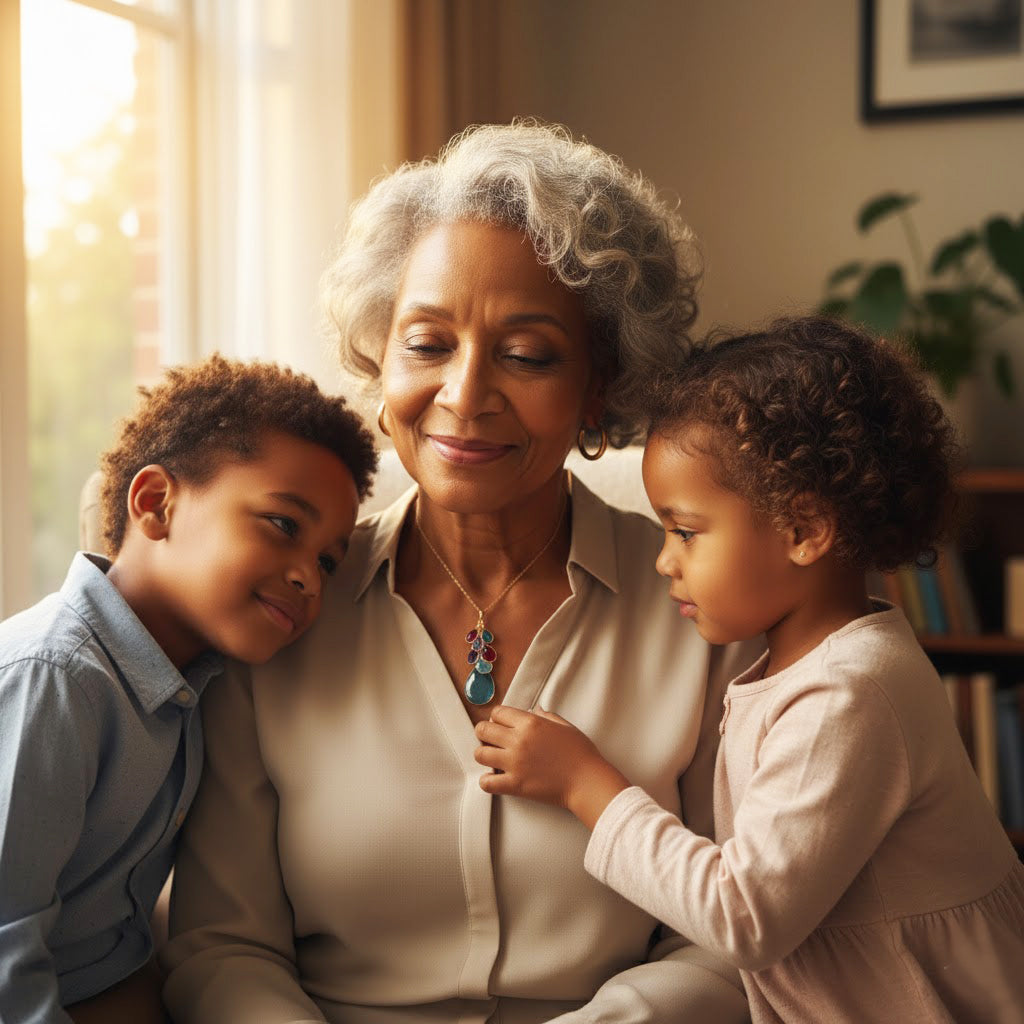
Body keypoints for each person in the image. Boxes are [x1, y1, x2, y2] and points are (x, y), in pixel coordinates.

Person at [161, 121, 762, 1024]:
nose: (465, 394)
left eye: (527, 355)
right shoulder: (280, 607)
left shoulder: (707, 610)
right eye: (428, 343)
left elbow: (732, 933)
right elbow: (222, 945)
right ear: (380, 354)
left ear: (600, 386)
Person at [473, 315, 1024, 1023]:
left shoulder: (848, 692)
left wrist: (588, 785)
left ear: (803, 531)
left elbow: (744, 917)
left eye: (686, 531)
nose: (665, 559)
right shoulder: (803, 667)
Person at [0, 354, 377, 1024]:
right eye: (284, 525)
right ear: (155, 503)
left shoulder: (201, 689)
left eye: (327, 558)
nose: (309, 578)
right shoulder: (55, 680)